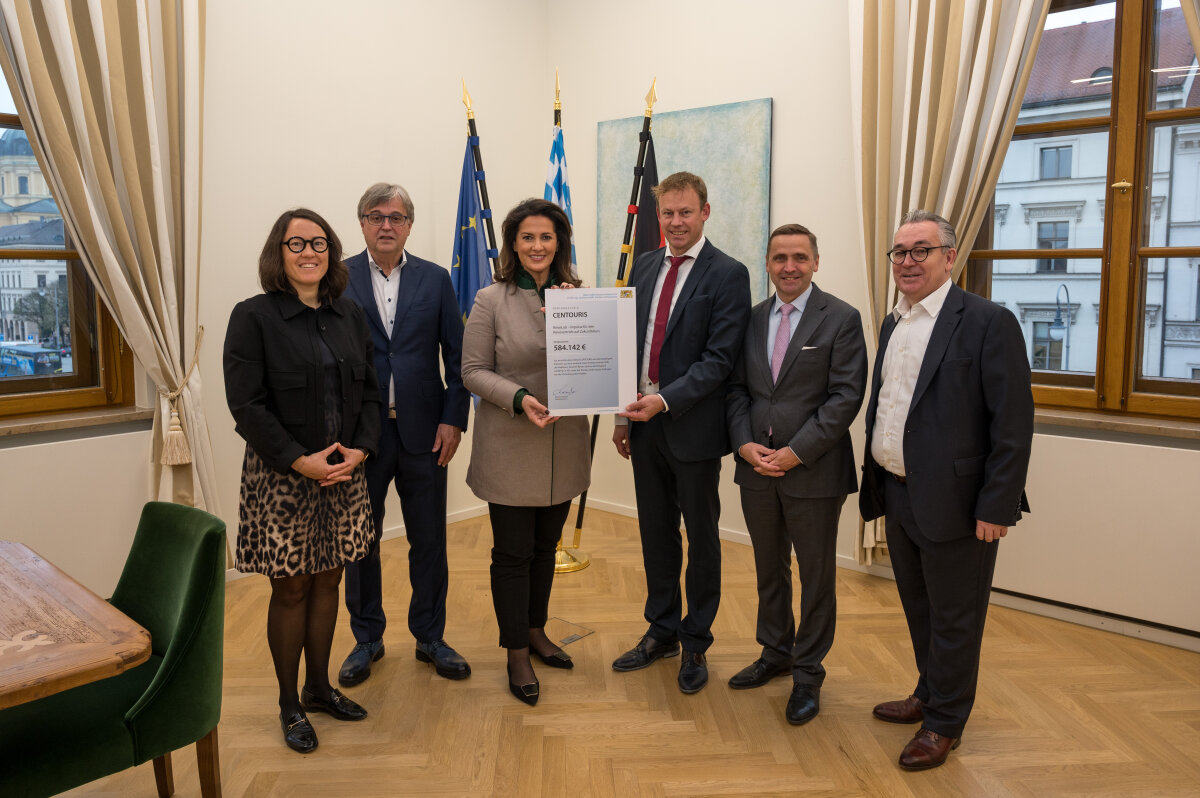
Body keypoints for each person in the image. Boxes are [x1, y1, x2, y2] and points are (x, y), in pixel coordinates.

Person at [860, 209, 1034, 770]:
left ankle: (945, 722)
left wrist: (998, 504)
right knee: (919, 608)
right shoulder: (894, 322)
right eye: (899, 252)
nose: (907, 261)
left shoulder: (987, 321)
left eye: (921, 250)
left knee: (957, 617)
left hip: (960, 505)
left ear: (949, 257)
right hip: (900, 492)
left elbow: (1012, 424)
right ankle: (930, 692)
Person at [224, 208, 381, 754]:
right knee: (291, 587)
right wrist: (300, 460)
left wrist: (360, 449)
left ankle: (319, 688)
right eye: (297, 244)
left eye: (319, 243)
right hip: (284, 478)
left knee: (329, 580)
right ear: (279, 253)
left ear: (331, 253)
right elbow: (246, 406)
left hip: (344, 473)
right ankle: (289, 703)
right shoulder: (253, 316)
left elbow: (373, 395)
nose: (309, 252)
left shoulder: (350, 315)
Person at [610, 171, 751, 694]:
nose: (675, 222)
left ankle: (696, 639)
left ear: (705, 212)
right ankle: (662, 630)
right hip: (643, 429)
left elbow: (719, 360)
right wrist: (626, 417)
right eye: (667, 214)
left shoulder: (728, 274)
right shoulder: (643, 266)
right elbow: (626, 345)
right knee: (655, 533)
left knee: (703, 537)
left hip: (691, 430)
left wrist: (664, 400)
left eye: (685, 212)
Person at [725, 223, 867, 725]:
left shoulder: (842, 319)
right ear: (767, 262)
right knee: (769, 568)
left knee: (816, 576)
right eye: (780, 257)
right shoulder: (753, 318)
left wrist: (794, 453)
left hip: (814, 473)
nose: (789, 266)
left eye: (799, 258)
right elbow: (738, 388)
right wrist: (743, 445)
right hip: (755, 469)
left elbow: (845, 398)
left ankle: (808, 673)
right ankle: (776, 652)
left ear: (815, 262)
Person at [338, 183, 471, 687]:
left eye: (395, 216)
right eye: (376, 216)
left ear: (409, 225)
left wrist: (454, 420)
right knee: (360, 543)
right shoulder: (337, 277)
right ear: (363, 224)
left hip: (425, 432)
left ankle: (430, 636)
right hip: (361, 439)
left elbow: (456, 360)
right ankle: (367, 638)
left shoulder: (435, 280)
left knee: (429, 541)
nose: (386, 225)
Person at [461, 198, 590, 706]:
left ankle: (536, 631)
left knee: (544, 551)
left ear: (560, 243)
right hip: (511, 445)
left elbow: (604, 360)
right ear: (513, 244)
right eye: (528, 237)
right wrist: (519, 399)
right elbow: (472, 370)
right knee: (513, 554)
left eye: (547, 237)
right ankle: (516, 650)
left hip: (565, 448)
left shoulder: (579, 296)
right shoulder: (489, 299)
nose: (538, 246)